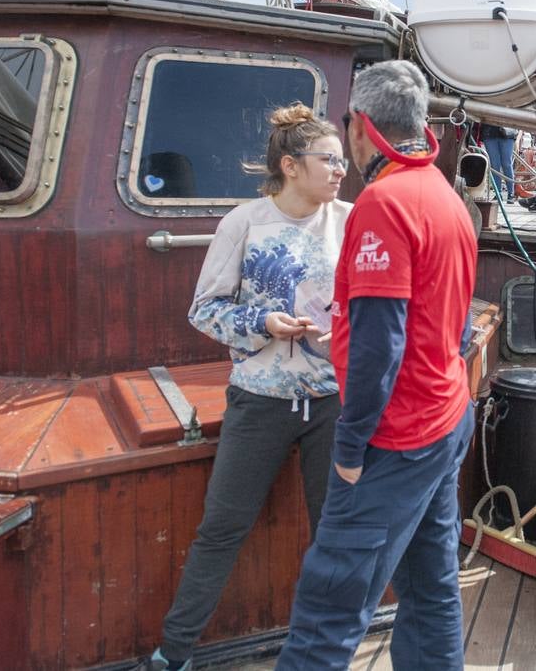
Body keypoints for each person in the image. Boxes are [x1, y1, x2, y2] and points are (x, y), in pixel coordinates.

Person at [276, 60, 477, 670]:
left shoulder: (383, 205)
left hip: (395, 439)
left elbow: (377, 345)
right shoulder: (445, 196)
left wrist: (350, 447)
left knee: (328, 611)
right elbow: (459, 324)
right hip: (446, 420)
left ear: (362, 126)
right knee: (431, 589)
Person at [140, 105, 349, 671]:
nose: (340, 170)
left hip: (334, 402)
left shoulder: (351, 221)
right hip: (259, 401)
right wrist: (263, 325)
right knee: (221, 528)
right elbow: (204, 310)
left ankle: (323, 652)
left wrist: (346, 333)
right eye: (328, 159)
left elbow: (370, 305)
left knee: (335, 533)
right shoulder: (244, 222)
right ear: (289, 165)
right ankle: (173, 653)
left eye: (342, 159)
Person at [479, 122, 517, 202]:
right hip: (489, 132)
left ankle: (511, 193)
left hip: (507, 132)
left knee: (506, 163)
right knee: (494, 165)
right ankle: (497, 193)